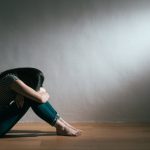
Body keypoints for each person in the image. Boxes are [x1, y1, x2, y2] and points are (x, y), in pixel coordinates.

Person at [0, 67, 81, 137]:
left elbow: (39, 92)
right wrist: (46, 93)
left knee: (30, 96)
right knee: (31, 98)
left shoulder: (7, 79)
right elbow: (41, 99)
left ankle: (63, 124)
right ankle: (61, 127)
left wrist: (22, 94)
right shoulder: (10, 80)